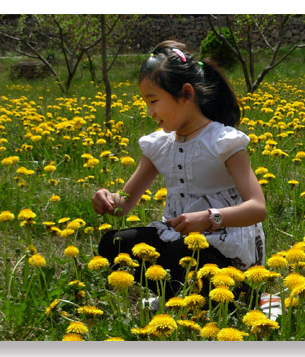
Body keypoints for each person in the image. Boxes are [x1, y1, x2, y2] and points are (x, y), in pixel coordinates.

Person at [92, 40, 266, 302]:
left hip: (225, 247)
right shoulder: (159, 146)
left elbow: (257, 207)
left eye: (153, 101)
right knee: (113, 244)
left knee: (183, 252)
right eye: (146, 102)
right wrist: (106, 199)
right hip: (178, 240)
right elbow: (122, 206)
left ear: (186, 94)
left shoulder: (222, 141)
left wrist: (208, 218)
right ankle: (182, 296)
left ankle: (244, 297)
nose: (149, 112)